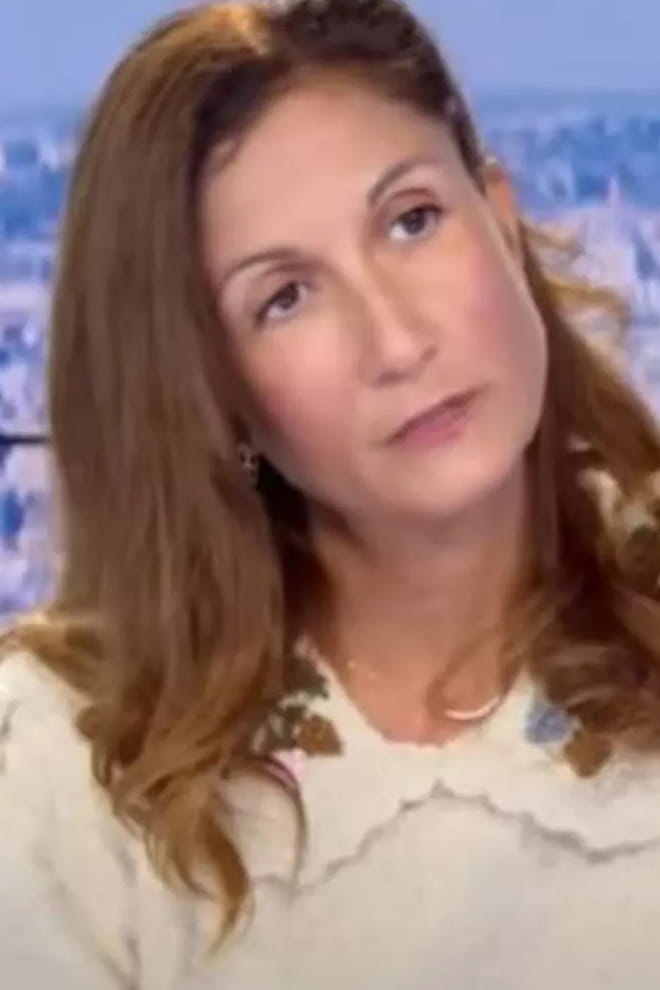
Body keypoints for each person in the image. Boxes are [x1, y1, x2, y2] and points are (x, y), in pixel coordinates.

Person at [2, 0, 660, 986]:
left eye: (412, 220)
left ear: (501, 212)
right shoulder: (68, 767)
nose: (397, 341)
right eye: (285, 299)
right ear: (209, 390)